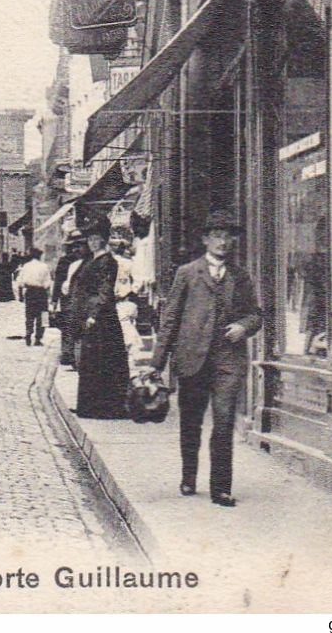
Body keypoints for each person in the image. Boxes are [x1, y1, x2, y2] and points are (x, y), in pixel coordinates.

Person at [152, 210, 263, 507]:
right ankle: (189, 477)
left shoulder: (240, 277)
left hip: (228, 360)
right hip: (191, 359)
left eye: (227, 236)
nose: (223, 242)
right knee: (191, 423)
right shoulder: (187, 273)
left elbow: (256, 314)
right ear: (205, 239)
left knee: (224, 423)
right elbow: (171, 319)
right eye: (217, 235)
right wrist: (156, 364)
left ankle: (221, 488)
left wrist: (243, 327)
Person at [74, 216, 130, 419]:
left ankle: (104, 406)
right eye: (89, 238)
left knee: (103, 360)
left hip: (102, 320)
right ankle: (89, 405)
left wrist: (93, 315)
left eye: (95, 238)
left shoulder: (108, 262)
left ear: (103, 239)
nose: (91, 242)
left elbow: (105, 290)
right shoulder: (93, 259)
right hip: (92, 315)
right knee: (91, 361)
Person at [54, 232, 88, 368]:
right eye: (74, 246)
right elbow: (58, 282)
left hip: (78, 298)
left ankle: (73, 354)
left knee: (75, 325)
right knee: (67, 324)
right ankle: (68, 353)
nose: (76, 249)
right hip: (67, 298)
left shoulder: (89, 261)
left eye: (79, 246)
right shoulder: (65, 261)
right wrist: (54, 300)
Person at [15, 247, 52, 346]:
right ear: (40, 256)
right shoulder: (44, 266)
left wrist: (20, 295)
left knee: (29, 315)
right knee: (43, 316)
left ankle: (28, 333)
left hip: (30, 292)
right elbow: (48, 282)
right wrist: (49, 296)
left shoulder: (26, 266)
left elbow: (20, 281)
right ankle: (38, 338)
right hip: (41, 293)